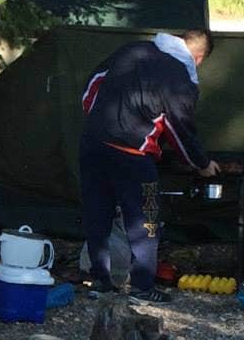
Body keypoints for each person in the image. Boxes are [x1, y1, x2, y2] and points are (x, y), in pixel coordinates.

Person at [77, 28, 219, 302]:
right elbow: (180, 129)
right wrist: (201, 163)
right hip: (133, 154)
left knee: (98, 215)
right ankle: (142, 287)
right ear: (198, 58)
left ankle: (101, 282)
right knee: (147, 219)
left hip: (92, 144)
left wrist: (98, 122)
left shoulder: (132, 50)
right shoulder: (181, 76)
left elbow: (91, 86)